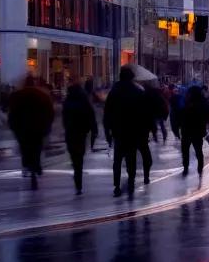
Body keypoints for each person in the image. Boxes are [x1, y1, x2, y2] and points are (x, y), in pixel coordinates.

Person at [103, 65, 148, 197]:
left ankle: (116, 185)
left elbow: (107, 113)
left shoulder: (114, 92)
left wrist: (108, 132)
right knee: (131, 158)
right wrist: (143, 132)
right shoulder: (138, 92)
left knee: (117, 160)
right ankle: (131, 181)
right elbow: (143, 114)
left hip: (118, 131)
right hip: (133, 131)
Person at [7, 75, 54, 189]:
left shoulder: (17, 96)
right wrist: (47, 126)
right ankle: (36, 165)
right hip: (38, 127)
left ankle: (27, 165)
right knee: (37, 147)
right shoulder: (43, 96)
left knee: (25, 148)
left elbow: (12, 113)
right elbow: (50, 113)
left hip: (22, 128)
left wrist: (13, 126)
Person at [61, 83, 98, 194]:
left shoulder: (67, 102)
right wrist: (93, 130)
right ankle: (78, 177)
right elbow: (91, 116)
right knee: (80, 156)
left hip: (70, 133)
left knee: (73, 155)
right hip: (81, 133)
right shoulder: (84, 101)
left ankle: (77, 173)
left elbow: (64, 117)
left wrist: (66, 126)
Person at [179, 83, 209, 179]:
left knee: (185, 150)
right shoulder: (203, 102)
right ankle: (200, 168)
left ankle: (186, 168)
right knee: (198, 150)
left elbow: (180, 114)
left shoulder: (186, 101)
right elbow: (208, 114)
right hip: (198, 131)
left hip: (186, 130)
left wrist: (178, 126)